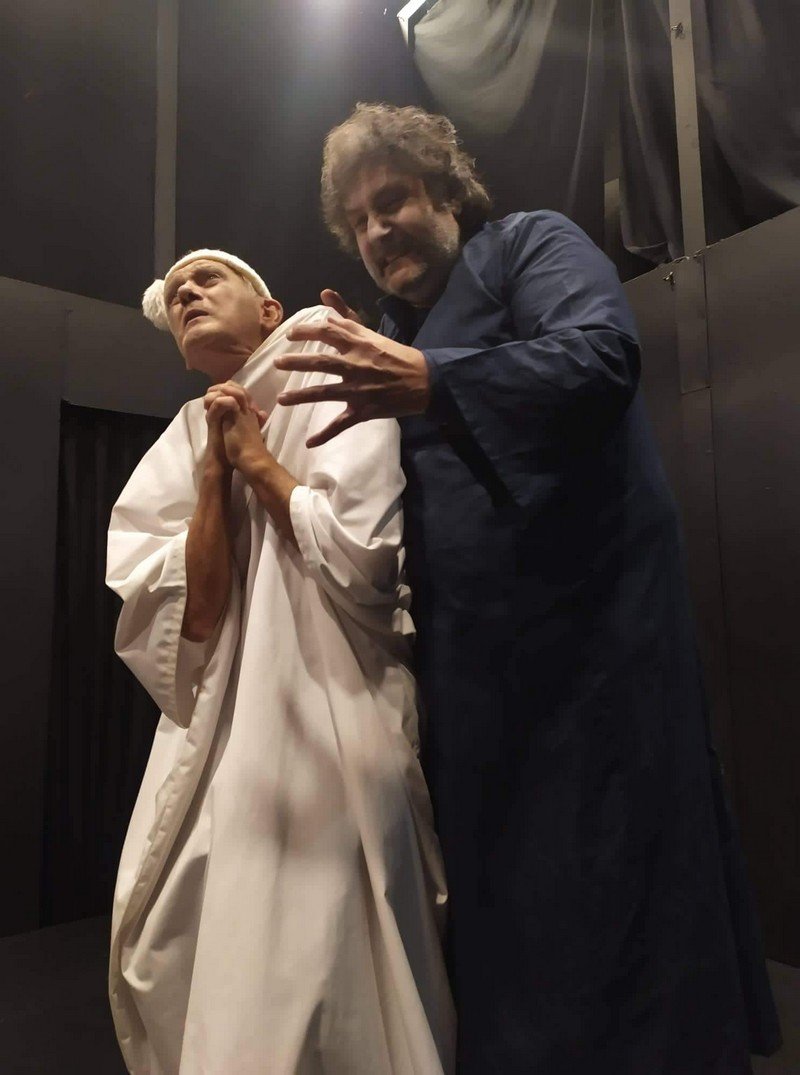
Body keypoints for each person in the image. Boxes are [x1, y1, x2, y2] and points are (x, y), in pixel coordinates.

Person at [274, 104, 781, 1074]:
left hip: (598, 642)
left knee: (625, 887)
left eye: (393, 200)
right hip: (472, 665)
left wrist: (430, 377)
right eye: (359, 219)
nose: (378, 230)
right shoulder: (388, 332)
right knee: (507, 906)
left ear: (446, 194)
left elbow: (600, 355)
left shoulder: (527, 247)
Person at [105, 248, 455, 1074]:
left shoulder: (324, 361)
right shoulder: (183, 437)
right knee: (180, 949)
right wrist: (214, 469)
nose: (187, 293)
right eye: (176, 291)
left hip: (329, 700)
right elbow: (191, 623)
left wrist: (259, 463)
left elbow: (366, 566)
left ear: (269, 310)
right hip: (219, 738)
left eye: (208, 278)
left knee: (322, 956)